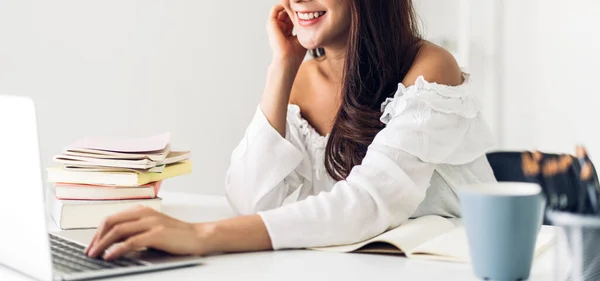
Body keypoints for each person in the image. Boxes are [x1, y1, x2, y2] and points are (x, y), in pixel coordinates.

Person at [85, 0, 497, 260]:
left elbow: (368, 203)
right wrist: (282, 67)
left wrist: (202, 235)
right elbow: (251, 199)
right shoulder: (301, 78)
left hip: (460, 267)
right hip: (359, 267)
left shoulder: (430, 70)